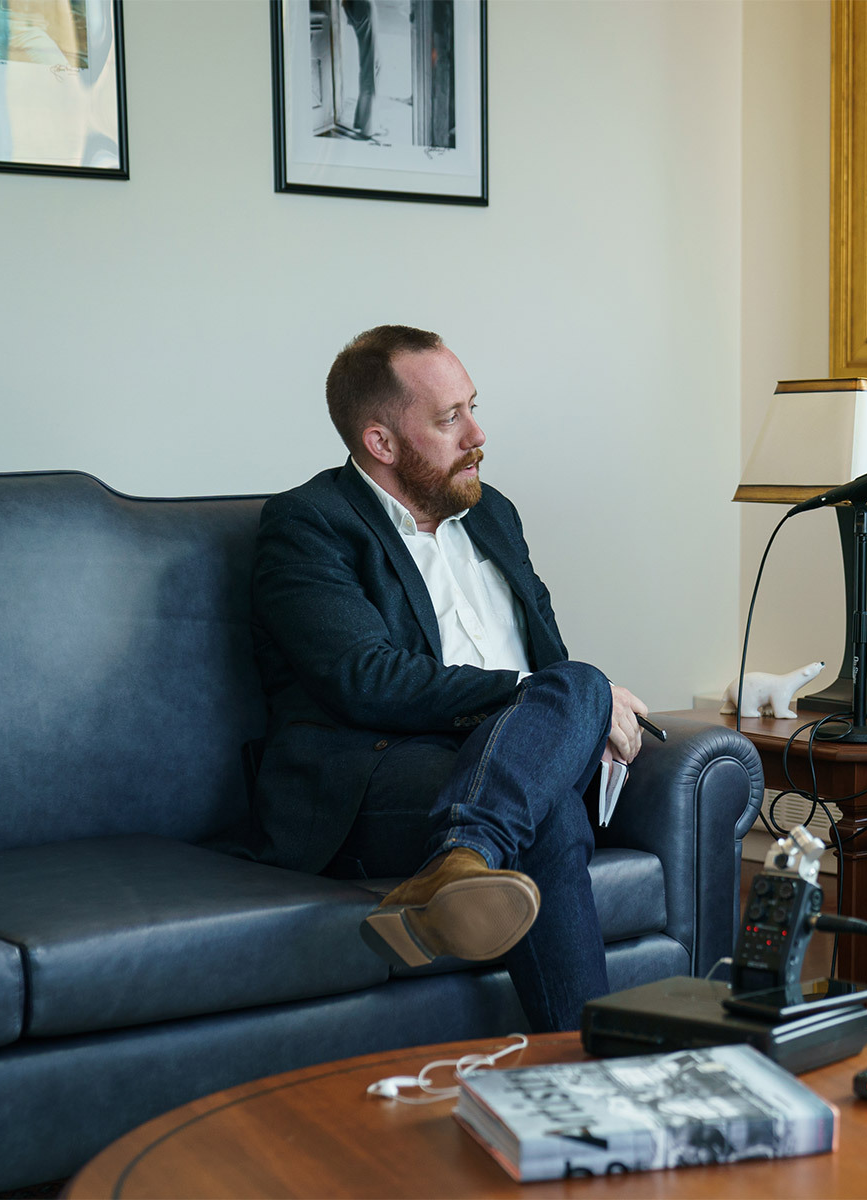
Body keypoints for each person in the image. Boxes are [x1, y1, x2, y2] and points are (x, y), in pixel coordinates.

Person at [248, 324, 650, 1032]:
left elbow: (553, 664)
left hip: (506, 759)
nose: (476, 433)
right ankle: (593, 1066)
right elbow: (362, 679)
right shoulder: (309, 524)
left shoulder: (494, 515)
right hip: (374, 774)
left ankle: (464, 858)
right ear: (381, 443)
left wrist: (574, 707)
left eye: (472, 406)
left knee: (581, 684)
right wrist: (530, 693)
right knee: (549, 799)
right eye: (449, 418)